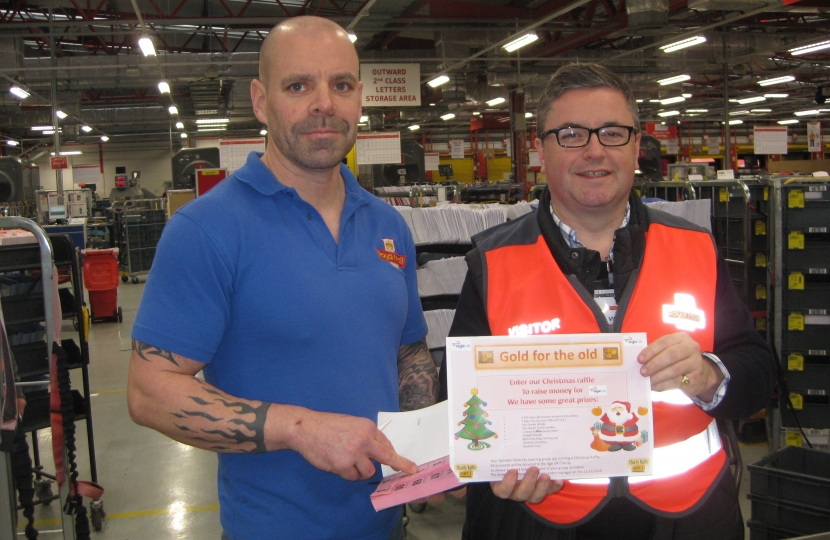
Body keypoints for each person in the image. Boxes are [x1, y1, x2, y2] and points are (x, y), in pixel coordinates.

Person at [127, 16, 437, 540]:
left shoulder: (389, 226)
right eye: (299, 86)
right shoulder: (206, 229)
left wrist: (434, 455)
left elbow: (408, 353)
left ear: (359, 97)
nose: (324, 103)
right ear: (259, 100)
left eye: (341, 85)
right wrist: (299, 429)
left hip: (388, 527)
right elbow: (149, 392)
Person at [443, 63, 776, 540]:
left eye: (613, 133)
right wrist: (487, 464)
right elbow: (455, 402)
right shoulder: (492, 262)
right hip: (540, 521)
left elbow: (759, 374)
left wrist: (708, 374)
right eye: (572, 134)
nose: (595, 151)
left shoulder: (695, 247)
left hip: (689, 519)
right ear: (541, 149)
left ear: (637, 145)